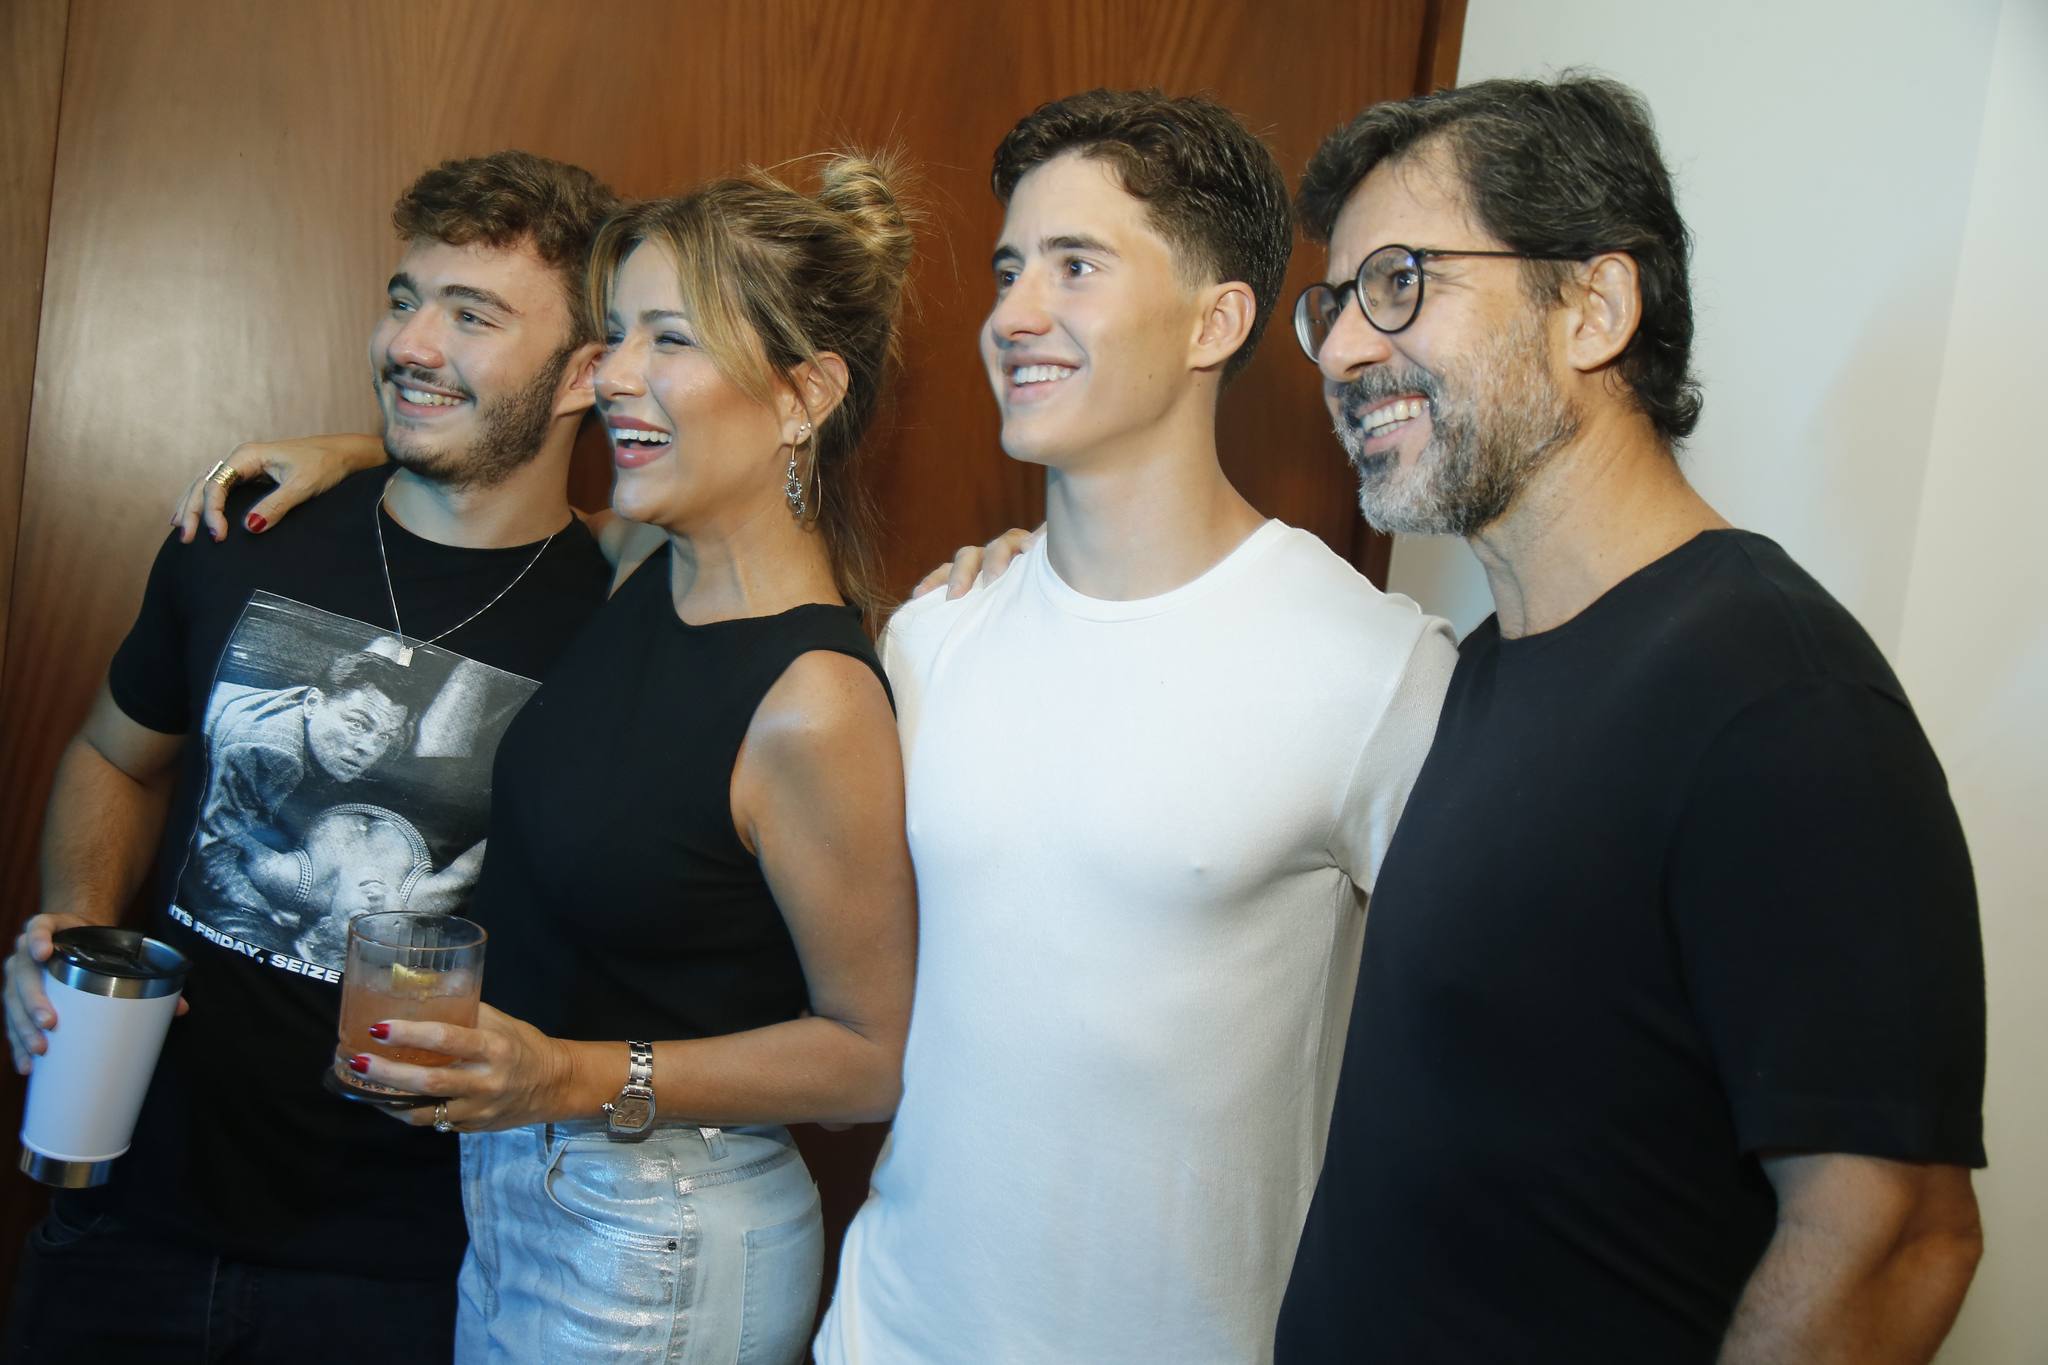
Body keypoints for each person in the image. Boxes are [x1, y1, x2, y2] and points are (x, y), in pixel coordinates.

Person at [158, 155, 922, 1364]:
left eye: (668, 339)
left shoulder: (814, 702)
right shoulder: (641, 566)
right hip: (517, 1202)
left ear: (803, 394)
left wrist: (562, 1075)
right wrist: (355, 449)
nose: (610, 373)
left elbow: (868, 1059)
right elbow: (491, 472)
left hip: (661, 1236)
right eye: (615, 335)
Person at [1272, 75, 1986, 1363]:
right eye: (1332, 307)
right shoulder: (1488, 668)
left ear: (1592, 309)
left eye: (1397, 284)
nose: (1339, 353)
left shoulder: (1776, 698)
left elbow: (1896, 1237)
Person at [811, 91, 1457, 1364]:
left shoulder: (1373, 669)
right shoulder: (933, 637)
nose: (1012, 315)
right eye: (1009, 269)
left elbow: (1478, 1073)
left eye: (1075, 266)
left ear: (1215, 321)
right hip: (886, 1333)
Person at [2, 149, 619, 1360]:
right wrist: (75, 926)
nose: (410, 344)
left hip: (408, 1272)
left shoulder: (621, 622)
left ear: (584, 372)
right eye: (404, 298)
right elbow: (116, 758)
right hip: (124, 1214)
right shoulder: (246, 534)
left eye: (472, 315)